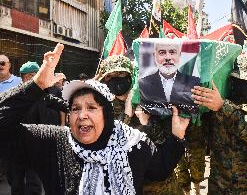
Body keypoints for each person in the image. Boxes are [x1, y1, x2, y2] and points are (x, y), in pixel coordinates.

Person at [0, 43, 190, 195]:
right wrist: (37, 84)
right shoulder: (54, 143)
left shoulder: (134, 144)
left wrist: (177, 136)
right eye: (75, 108)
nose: (82, 115)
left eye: (91, 107)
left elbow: (160, 168)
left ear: (106, 114)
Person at [97, 55, 205, 195]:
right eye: (109, 77)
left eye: (119, 74)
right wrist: (127, 115)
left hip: (165, 186)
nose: (114, 80)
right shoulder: (103, 108)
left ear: (130, 76)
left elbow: (167, 143)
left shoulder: (152, 98)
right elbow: (109, 147)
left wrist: (146, 123)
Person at [191, 53, 247, 194]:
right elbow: (199, 137)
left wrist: (223, 107)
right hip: (220, 187)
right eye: (239, 80)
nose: (244, 85)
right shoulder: (218, 102)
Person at [7, 61, 43, 195]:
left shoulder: (43, 94)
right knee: (16, 180)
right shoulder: (14, 95)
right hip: (16, 145)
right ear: (26, 77)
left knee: (34, 181)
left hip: (35, 145)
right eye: (35, 75)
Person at [139, 42, 200, 115]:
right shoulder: (143, 84)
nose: (168, 58)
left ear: (179, 55)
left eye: (172, 52)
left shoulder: (195, 83)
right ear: (154, 56)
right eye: (162, 53)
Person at [0, 55, 21, 182]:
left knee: (12, 171)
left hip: (13, 129)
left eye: (2, 63)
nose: (0, 66)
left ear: (9, 65)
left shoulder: (19, 82)